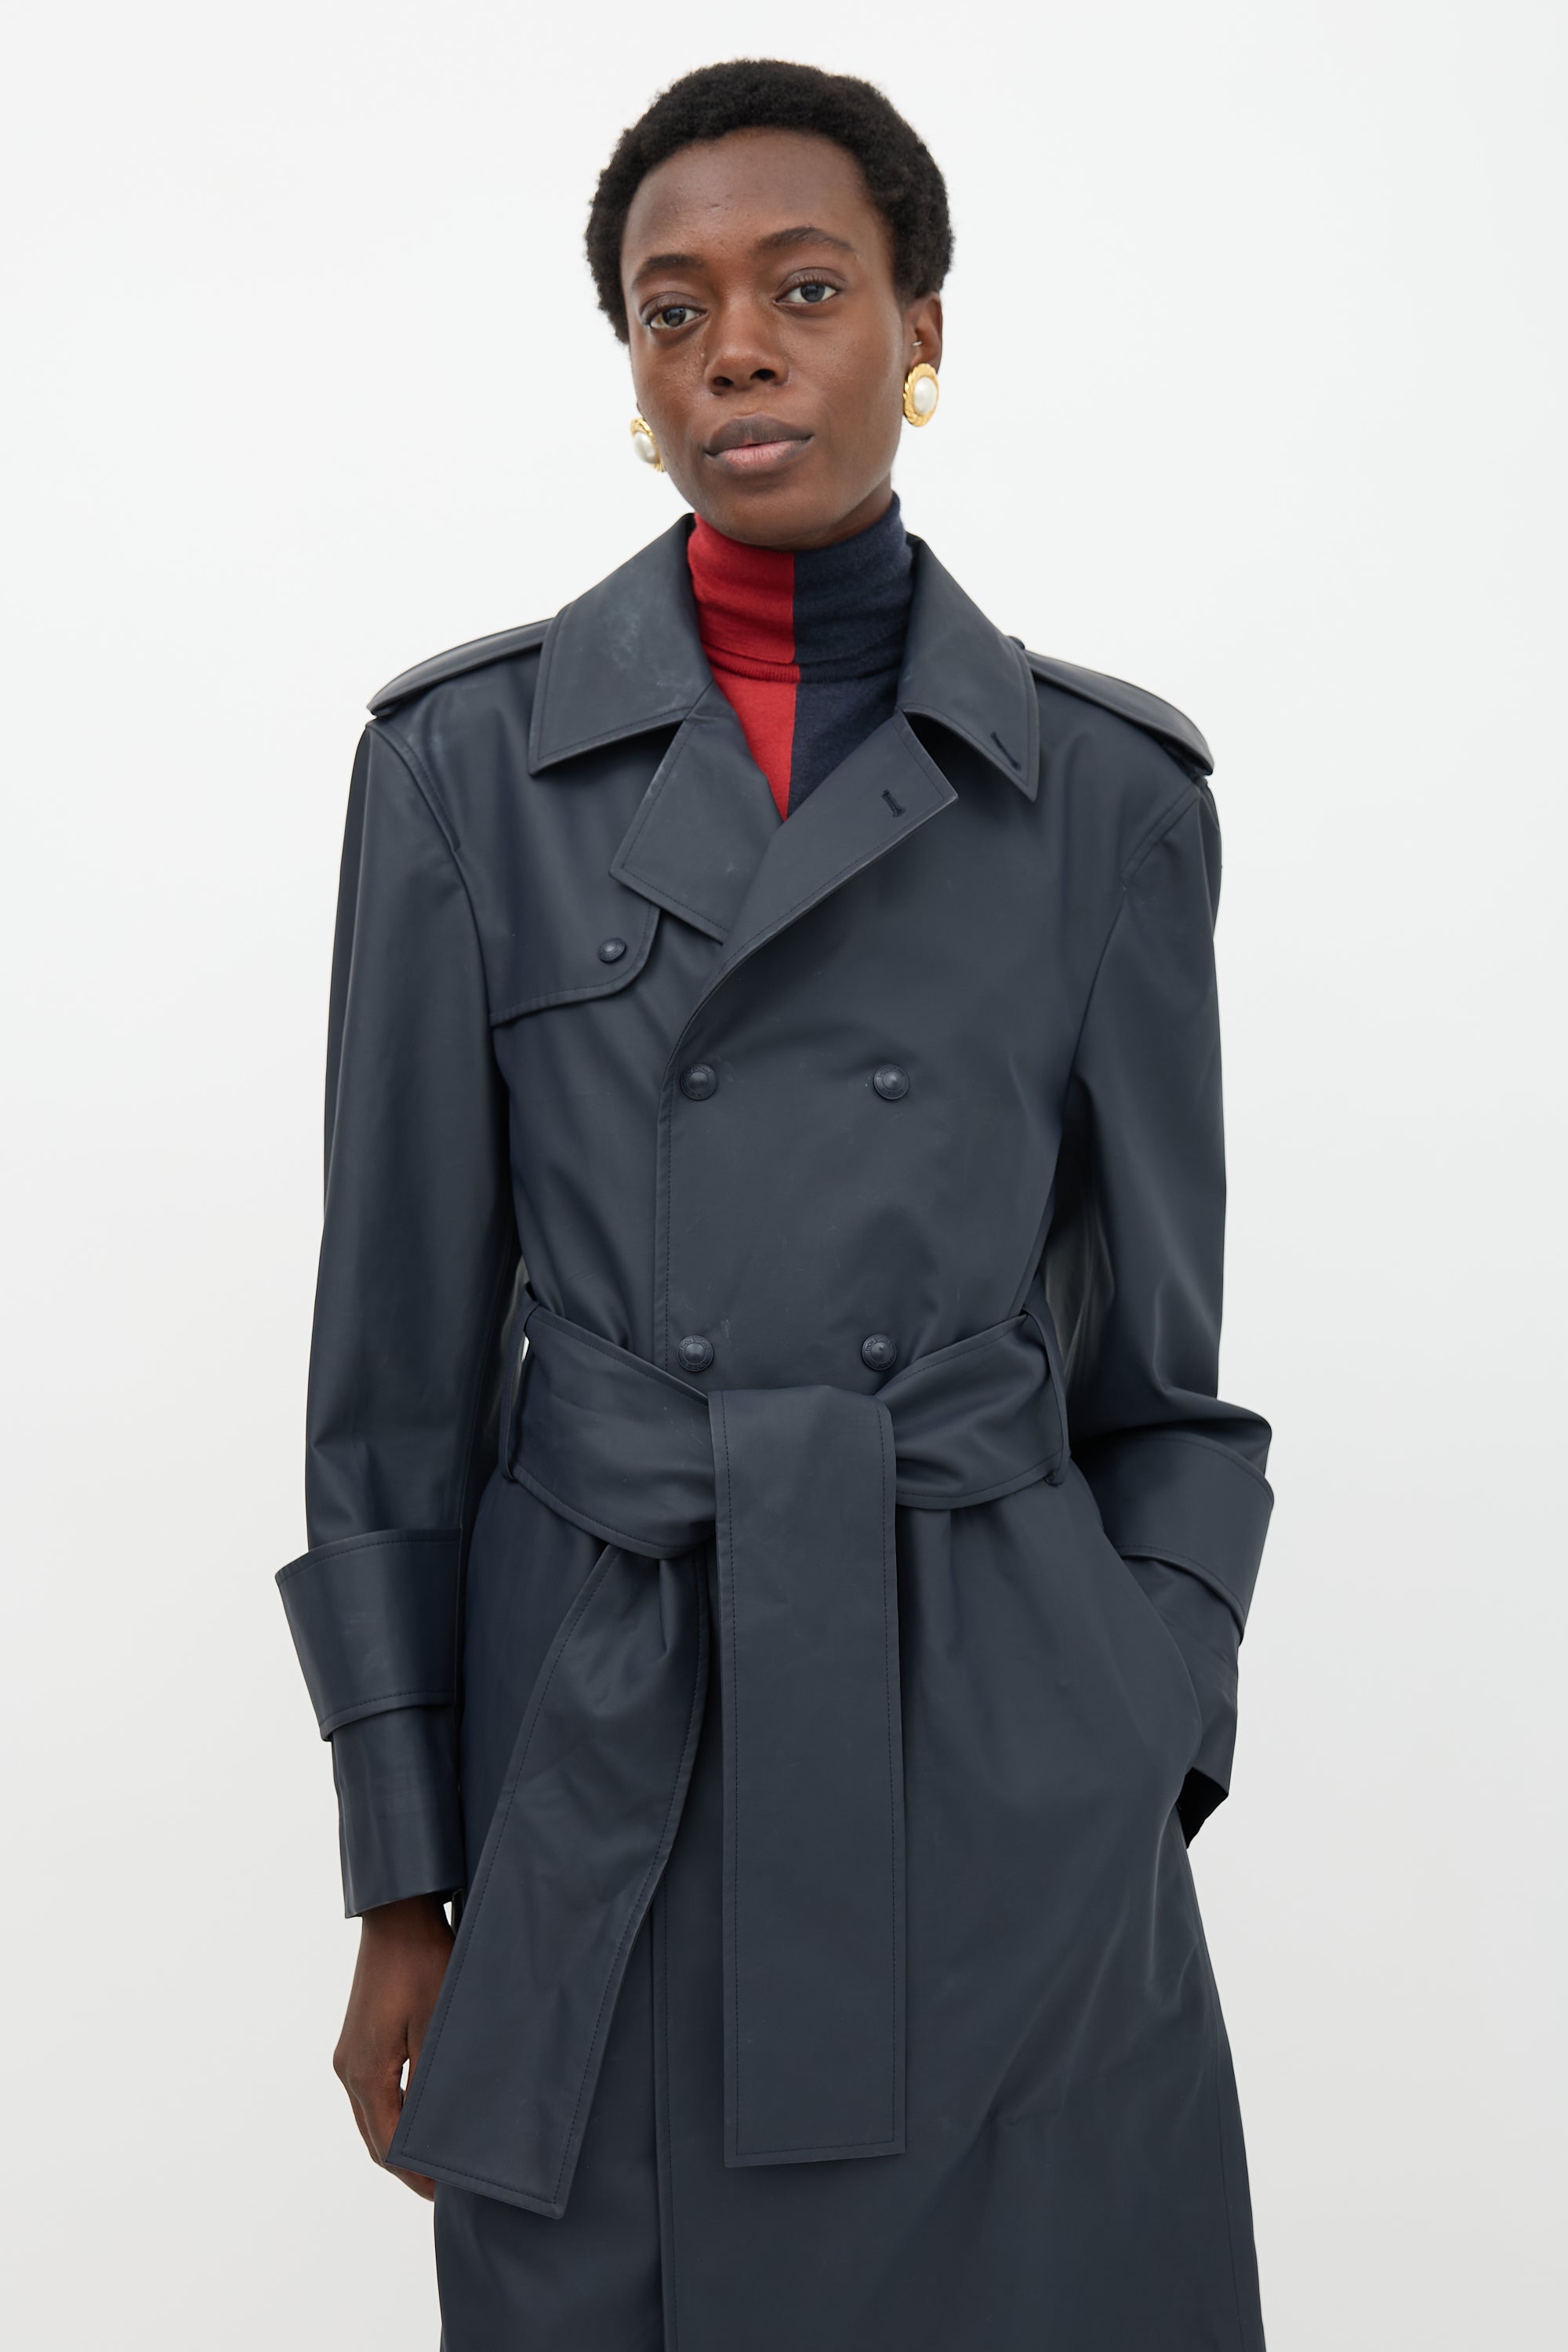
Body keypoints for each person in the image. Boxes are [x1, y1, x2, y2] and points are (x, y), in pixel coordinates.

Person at [278, 58, 1276, 2351]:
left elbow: (1162, 1381)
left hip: (997, 1768)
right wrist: (403, 1877)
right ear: (634, 379)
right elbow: (391, 1388)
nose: (736, 344)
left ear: (920, 332)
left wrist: (1136, 1734)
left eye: (806, 289)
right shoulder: (461, 775)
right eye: (674, 307)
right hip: (602, 1754)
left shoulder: (1108, 799)